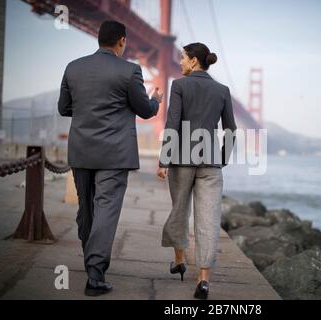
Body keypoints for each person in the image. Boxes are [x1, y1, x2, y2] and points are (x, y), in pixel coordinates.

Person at [58, 20, 163, 296]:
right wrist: (156, 100)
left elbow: (64, 108)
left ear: (99, 40)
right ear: (122, 41)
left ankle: (90, 259)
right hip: (114, 154)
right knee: (106, 210)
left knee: (87, 209)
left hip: (81, 151)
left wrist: (88, 111)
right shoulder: (130, 71)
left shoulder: (73, 67)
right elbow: (144, 110)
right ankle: (94, 276)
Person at [157, 42, 237, 300]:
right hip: (211, 162)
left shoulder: (180, 86)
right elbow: (230, 129)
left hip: (181, 159)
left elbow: (172, 123)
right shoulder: (222, 90)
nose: (179, 62)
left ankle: (180, 261)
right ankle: (203, 281)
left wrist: (164, 159)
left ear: (193, 61)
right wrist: (222, 158)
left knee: (179, 210)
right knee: (209, 219)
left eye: (182, 58)